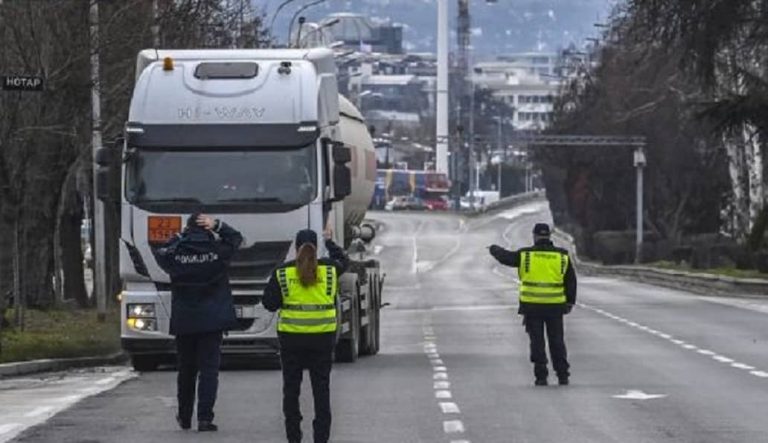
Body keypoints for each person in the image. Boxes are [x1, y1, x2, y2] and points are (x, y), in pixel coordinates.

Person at [152, 213, 243, 432]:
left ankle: (184, 417)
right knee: (209, 370)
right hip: (212, 320)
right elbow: (236, 239)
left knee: (186, 370)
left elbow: (159, 253)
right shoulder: (217, 251)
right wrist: (219, 225)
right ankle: (204, 418)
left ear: (188, 228)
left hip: (185, 320)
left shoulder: (177, 252)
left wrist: (178, 237)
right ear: (207, 229)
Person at [263, 226, 349, 443]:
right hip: (322, 339)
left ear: (295, 247)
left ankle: (294, 437)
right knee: (321, 390)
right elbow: (344, 261)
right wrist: (331, 242)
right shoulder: (330, 269)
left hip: (291, 339)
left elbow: (269, 304)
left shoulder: (282, 272)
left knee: (291, 389)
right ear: (317, 247)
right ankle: (321, 438)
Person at [488, 222, 577, 386]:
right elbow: (571, 281)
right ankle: (562, 374)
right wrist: (570, 302)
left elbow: (506, 258)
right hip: (555, 306)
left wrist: (494, 249)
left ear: (535, 236)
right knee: (557, 340)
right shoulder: (562, 256)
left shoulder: (526, 255)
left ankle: (541, 375)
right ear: (549, 236)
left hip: (532, 306)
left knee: (537, 341)